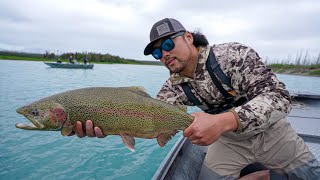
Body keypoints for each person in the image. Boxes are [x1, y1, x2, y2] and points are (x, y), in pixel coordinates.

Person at [69, 18, 320, 179]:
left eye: (168, 44)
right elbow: (150, 118)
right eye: (157, 52)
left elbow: (279, 97)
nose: (164, 54)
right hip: (229, 142)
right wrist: (108, 124)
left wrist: (223, 122)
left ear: (188, 37)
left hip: (273, 132)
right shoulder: (172, 87)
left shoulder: (232, 55)